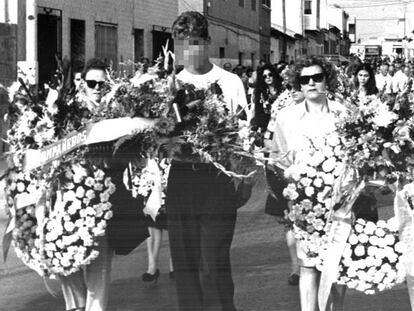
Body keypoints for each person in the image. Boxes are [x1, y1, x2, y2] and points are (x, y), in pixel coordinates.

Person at [167, 11, 248, 311]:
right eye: (183, 44)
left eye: (196, 42)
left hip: (217, 178)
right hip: (181, 179)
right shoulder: (170, 85)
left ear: (208, 43)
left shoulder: (230, 82)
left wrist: (243, 177)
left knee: (214, 264)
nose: (190, 51)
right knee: (185, 265)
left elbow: (243, 134)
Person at [59, 58, 148, 311]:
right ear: (82, 84)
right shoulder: (69, 113)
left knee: (100, 265)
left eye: (102, 83)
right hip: (72, 200)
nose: (98, 87)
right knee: (68, 259)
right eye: (92, 83)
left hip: (106, 200)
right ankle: (75, 307)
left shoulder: (121, 114)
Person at [270, 56, 346, 311]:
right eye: (305, 80)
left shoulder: (344, 114)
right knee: (308, 265)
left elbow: (356, 156)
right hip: (305, 204)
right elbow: (278, 159)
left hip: (341, 203)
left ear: (327, 80)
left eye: (317, 77)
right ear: (299, 85)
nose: (311, 83)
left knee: (337, 267)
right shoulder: (286, 117)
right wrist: (292, 185)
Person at [251, 63, 283, 131]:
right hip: (268, 125)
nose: (268, 77)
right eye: (264, 76)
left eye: (270, 75)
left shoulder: (282, 89)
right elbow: (259, 112)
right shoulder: (260, 93)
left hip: (282, 123)